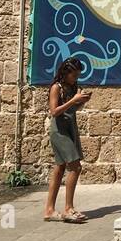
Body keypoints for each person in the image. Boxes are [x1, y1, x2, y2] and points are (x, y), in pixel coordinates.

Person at [43, 57, 91, 224]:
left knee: (60, 168)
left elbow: (71, 109)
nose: (76, 78)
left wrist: (81, 102)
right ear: (66, 72)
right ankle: (68, 208)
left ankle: (49, 210)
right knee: (75, 167)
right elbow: (54, 111)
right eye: (74, 75)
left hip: (70, 128)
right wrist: (73, 100)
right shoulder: (56, 87)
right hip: (59, 131)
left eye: (78, 75)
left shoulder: (72, 87)